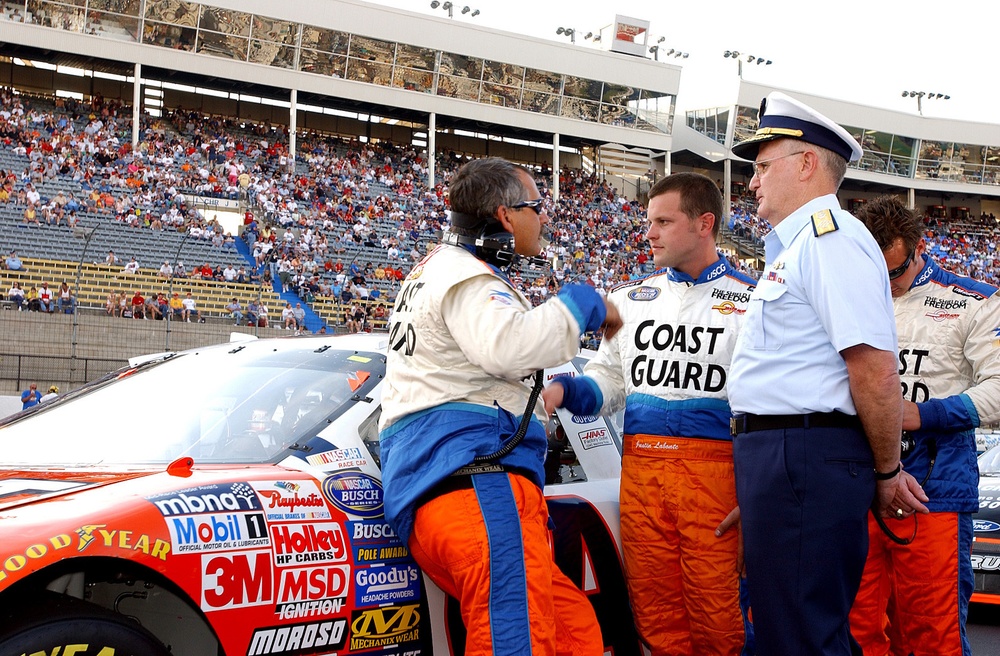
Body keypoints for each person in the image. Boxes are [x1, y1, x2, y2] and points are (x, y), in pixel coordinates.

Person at [377, 157, 620, 656]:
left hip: (451, 491)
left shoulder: (435, 270)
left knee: (572, 632)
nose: (544, 219)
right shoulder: (468, 276)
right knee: (517, 642)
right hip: (477, 486)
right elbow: (509, 347)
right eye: (536, 207)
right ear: (507, 216)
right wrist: (588, 303)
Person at [727, 91, 929, 656]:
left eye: (764, 166)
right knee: (785, 631)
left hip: (803, 454)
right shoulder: (800, 247)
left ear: (808, 163)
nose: (752, 182)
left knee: (802, 638)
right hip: (788, 460)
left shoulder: (829, 240)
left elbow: (872, 369)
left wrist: (887, 470)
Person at [542, 172, 755, 656]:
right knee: (655, 620)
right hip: (642, 480)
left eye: (663, 221)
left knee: (723, 623)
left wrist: (759, 491)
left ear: (705, 224)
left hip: (719, 484)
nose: (649, 233)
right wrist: (564, 391)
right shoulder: (628, 299)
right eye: (648, 221)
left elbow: (771, 408)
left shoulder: (755, 300)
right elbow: (609, 381)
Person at [849, 196, 1000, 655]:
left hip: (934, 484)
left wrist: (921, 412)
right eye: (875, 273)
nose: (887, 284)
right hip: (852, 479)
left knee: (932, 635)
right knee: (855, 631)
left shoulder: (972, 301)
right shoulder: (846, 297)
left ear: (917, 249)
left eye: (893, 272)